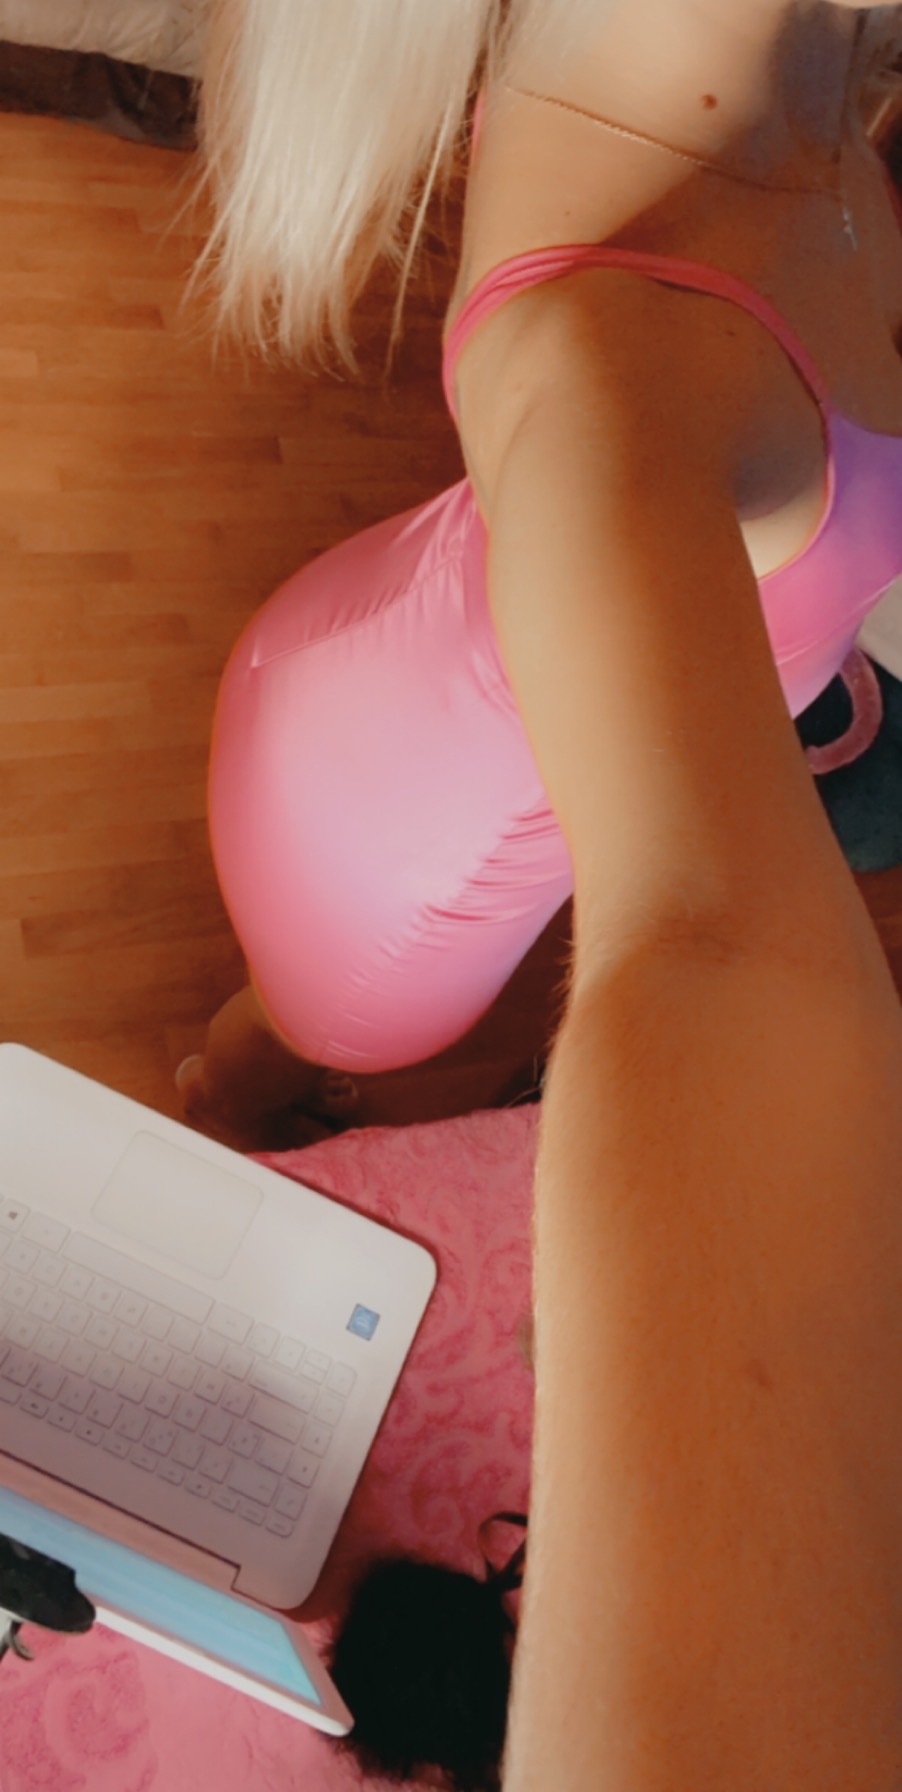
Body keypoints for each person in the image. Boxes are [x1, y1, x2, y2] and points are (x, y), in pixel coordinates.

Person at [190, 3, 902, 1785]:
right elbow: (713, 966)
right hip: (390, 829)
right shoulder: (620, 345)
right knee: (310, 1038)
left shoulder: (797, 96)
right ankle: (224, 1114)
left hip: (394, 655)